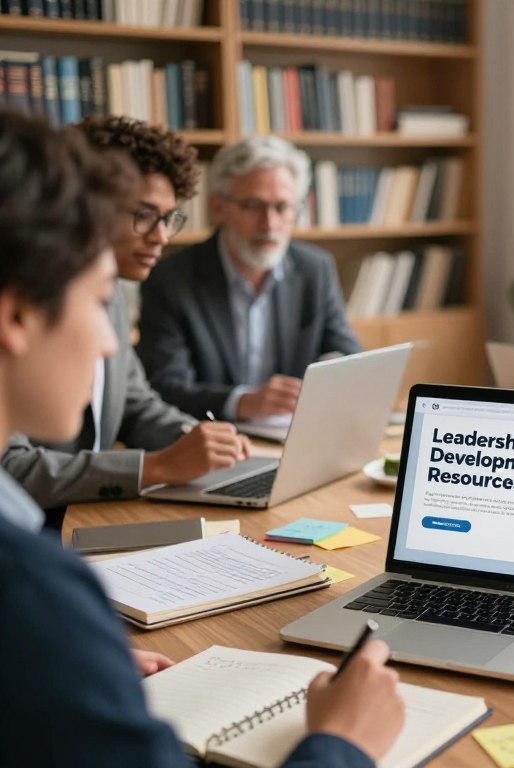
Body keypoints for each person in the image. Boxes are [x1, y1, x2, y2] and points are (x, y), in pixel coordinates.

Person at [0, 109, 405, 768]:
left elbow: (136, 397)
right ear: (18, 313)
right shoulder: (33, 591)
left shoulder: (40, 607)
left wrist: (77, 659)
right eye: (92, 297)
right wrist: (341, 744)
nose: (107, 342)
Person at [1, 116, 248, 517]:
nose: (161, 237)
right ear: (89, 204)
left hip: (90, 512)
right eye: (145, 214)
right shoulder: (28, 296)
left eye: (168, 218)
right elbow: (7, 467)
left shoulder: (112, 293)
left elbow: (135, 404)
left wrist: (197, 438)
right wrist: (155, 467)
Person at [136, 135, 362, 421]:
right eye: (254, 206)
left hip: (293, 434)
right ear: (219, 208)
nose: (269, 224)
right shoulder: (170, 279)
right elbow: (164, 388)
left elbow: (349, 356)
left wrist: (333, 372)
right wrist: (241, 402)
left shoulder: (314, 269)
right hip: (212, 438)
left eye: (282, 207)